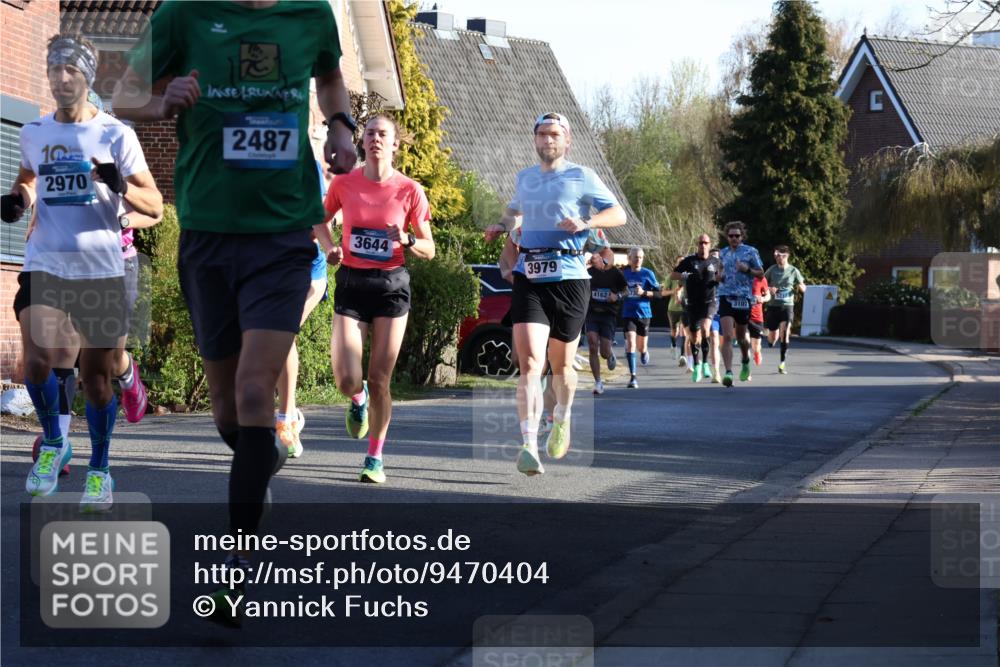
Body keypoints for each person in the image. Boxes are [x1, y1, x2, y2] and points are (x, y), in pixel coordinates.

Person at [114, 0, 358, 625]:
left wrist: (340, 124)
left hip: (283, 236)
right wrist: (162, 103)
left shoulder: (312, 13)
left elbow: (330, 76)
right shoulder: (183, 13)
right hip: (208, 234)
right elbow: (123, 95)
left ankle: (239, 564)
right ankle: (262, 462)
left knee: (254, 392)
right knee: (227, 410)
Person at [4, 33, 162, 511]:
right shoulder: (34, 132)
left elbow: (155, 204)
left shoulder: (116, 135)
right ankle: (54, 442)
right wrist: (18, 200)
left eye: (70, 68)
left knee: (95, 379)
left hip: (100, 268)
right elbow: (29, 177)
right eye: (54, 68)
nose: (61, 77)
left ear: (87, 76)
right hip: (46, 260)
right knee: (36, 362)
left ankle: (100, 469)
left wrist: (121, 185)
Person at [498, 112, 625, 476]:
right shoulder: (525, 178)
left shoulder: (582, 176)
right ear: (535, 139)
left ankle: (563, 417)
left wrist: (587, 222)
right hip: (530, 275)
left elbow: (618, 214)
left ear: (567, 141)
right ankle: (528, 445)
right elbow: (513, 213)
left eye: (555, 134)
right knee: (530, 364)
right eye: (542, 134)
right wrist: (501, 225)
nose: (548, 139)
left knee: (562, 366)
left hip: (570, 277)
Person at [316, 115, 434, 484]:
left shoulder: (410, 190)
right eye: (370, 133)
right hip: (352, 283)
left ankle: (374, 457)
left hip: (391, 287)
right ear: (363, 141)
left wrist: (408, 239)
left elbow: (429, 248)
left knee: (380, 378)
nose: (376, 139)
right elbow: (318, 220)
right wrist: (330, 247)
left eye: (383, 134)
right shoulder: (344, 183)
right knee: (346, 379)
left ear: (395, 143)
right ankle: (357, 398)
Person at [274, 161, 333, 458]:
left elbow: (320, 220)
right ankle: (291, 415)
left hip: (308, 272)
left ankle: (285, 420)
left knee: (282, 333)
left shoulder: (304, 165)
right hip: (270, 269)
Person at [716, 221, 763, 387]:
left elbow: (761, 273)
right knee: (728, 336)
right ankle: (728, 372)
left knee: (742, 337)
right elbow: (719, 271)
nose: (734, 238)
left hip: (743, 298)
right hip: (725, 296)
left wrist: (747, 270)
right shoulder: (723, 253)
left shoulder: (750, 252)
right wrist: (719, 277)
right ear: (727, 237)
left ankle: (745, 360)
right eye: (731, 236)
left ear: (742, 236)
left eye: (737, 235)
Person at [672, 234, 722, 383]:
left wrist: (720, 279)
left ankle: (705, 363)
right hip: (693, 303)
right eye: (700, 243)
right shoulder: (689, 261)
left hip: (709, 301)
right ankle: (697, 364)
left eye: (706, 243)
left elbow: (723, 276)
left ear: (709, 244)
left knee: (706, 329)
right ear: (697, 245)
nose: (703, 245)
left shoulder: (715, 261)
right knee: (694, 337)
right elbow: (674, 275)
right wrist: (684, 276)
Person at [585, 247, 626, 395]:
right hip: (592, 313)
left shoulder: (616, 273)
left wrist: (617, 296)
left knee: (604, 352)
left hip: (608, 314)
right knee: (592, 344)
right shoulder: (589, 273)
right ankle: (598, 382)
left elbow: (626, 290)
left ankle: (610, 354)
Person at [764, 245, 807, 374]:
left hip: (787, 306)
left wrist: (802, 287)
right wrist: (769, 289)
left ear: (786, 256)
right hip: (773, 306)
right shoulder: (772, 270)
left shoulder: (794, 271)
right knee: (773, 336)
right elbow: (762, 284)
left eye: (780, 256)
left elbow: (803, 286)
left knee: (785, 332)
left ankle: (782, 363)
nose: (778, 258)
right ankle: (771, 340)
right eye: (776, 255)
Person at [621, 247, 659, 389]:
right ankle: (633, 377)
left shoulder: (648, 274)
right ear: (630, 258)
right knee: (631, 343)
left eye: (641, 257)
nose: (638, 260)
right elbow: (617, 289)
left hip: (644, 314)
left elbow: (658, 293)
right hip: (628, 314)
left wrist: (644, 293)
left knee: (641, 347)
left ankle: (643, 352)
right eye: (636, 257)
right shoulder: (624, 274)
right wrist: (622, 293)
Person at [662, 255, 686, 363]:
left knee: (683, 330)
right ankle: (674, 344)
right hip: (673, 308)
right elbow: (663, 292)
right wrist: (674, 291)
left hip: (685, 308)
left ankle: (683, 355)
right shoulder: (671, 277)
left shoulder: (689, 277)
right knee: (674, 331)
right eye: (679, 262)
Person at [748, 273, 771, 368]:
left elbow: (768, 295)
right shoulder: (739, 276)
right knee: (745, 342)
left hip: (756, 316)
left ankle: (757, 352)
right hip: (743, 314)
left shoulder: (761, 279)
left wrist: (763, 298)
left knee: (756, 345)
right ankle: (746, 366)